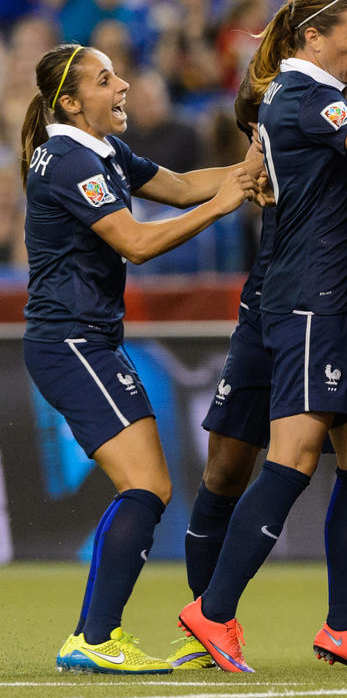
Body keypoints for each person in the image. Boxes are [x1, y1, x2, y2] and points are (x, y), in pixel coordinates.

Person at [167, 0, 347, 672]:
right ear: (312, 37)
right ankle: (214, 610)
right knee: (286, 459)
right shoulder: (300, 96)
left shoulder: (325, 91)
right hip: (310, 298)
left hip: (343, 298)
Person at [21, 42, 259, 674]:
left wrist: (248, 169)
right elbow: (135, 242)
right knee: (148, 484)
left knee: (149, 485)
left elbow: (179, 186)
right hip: (72, 341)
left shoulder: (96, 149)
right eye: (106, 79)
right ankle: (94, 637)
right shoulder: (71, 160)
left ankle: (96, 636)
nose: (123, 85)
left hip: (86, 339)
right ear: (72, 103)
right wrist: (223, 206)